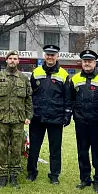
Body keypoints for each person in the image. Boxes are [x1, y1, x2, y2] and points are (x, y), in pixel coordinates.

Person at [27, 45, 72, 185]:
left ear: (57, 56)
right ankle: (31, 172)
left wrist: (67, 114)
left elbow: (68, 97)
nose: (50, 57)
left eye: (53, 55)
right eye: (48, 54)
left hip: (55, 116)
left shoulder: (63, 74)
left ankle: (54, 175)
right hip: (37, 116)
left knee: (55, 148)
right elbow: (30, 93)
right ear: (44, 56)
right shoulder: (36, 72)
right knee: (34, 146)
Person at [0, 50, 32, 189]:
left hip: (18, 119)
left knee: (17, 148)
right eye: (10, 58)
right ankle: (3, 176)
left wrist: (28, 116)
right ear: (6, 60)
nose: (12, 61)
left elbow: (29, 98)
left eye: (15, 58)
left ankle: (14, 176)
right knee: (1, 148)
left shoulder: (23, 78)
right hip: (2, 118)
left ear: (18, 61)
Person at [70, 48, 98, 192]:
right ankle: (84, 179)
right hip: (81, 122)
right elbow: (71, 99)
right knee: (82, 152)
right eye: (85, 61)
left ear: (95, 63)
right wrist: (75, 114)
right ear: (81, 62)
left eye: (90, 61)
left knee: (97, 153)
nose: (87, 63)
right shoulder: (74, 79)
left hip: (97, 123)